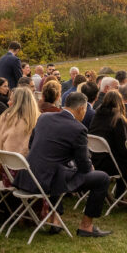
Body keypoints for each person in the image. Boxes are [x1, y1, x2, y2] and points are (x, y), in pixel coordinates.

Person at [21, 91, 111, 237]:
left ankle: (55, 219)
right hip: (48, 181)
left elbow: (32, 145)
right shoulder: (78, 128)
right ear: (81, 109)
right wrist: (83, 165)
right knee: (102, 178)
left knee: (60, 169)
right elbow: (84, 166)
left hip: (29, 176)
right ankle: (86, 226)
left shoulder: (44, 117)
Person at [0, 86, 40, 155]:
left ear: (18, 104)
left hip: (5, 159)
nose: (8, 102)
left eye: (10, 100)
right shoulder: (39, 122)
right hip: (26, 160)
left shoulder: (5, 120)